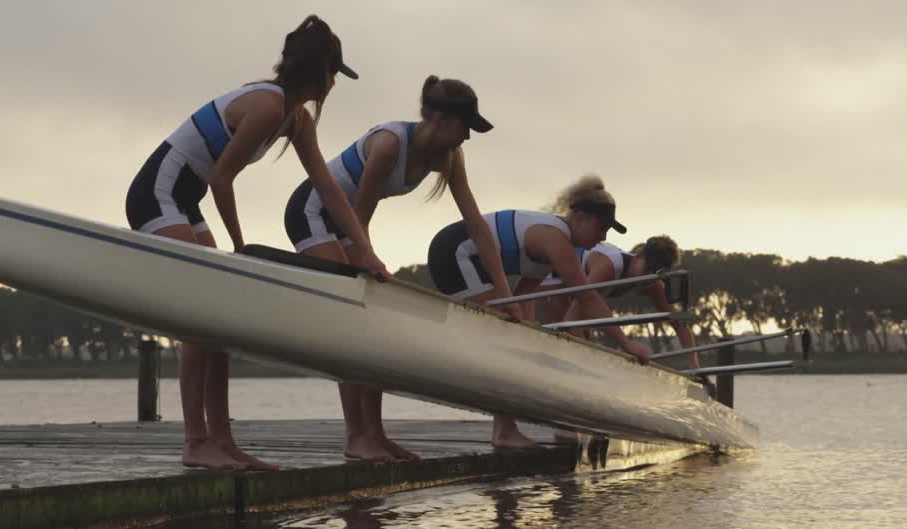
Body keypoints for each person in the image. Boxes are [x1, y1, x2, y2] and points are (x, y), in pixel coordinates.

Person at [125, 15, 385, 470]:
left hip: (185, 198)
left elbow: (327, 189)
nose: (334, 84)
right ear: (319, 73)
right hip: (157, 193)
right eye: (334, 74)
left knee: (222, 318)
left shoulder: (297, 119)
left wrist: (365, 251)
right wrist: (239, 247)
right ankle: (195, 441)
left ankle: (222, 442)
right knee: (200, 315)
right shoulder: (266, 106)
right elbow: (222, 178)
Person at [284, 76, 517, 461]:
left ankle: (375, 435)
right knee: (353, 322)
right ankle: (355, 436)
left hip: (349, 224)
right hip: (313, 213)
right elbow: (361, 217)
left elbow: (477, 225)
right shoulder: (389, 144)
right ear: (440, 119)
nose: (467, 137)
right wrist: (368, 261)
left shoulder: (450, 156)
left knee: (374, 326)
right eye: (465, 127)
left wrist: (505, 295)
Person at [426, 175, 651, 449]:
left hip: (466, 257)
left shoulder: (555, 241)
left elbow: (525, 295)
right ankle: (504, 431)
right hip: (454, 253)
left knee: (513, 341)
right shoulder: (556, 240)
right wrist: (627, 344)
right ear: (579, 218)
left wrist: (527, 335)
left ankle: (507, 428)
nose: (603, 237)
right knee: (504, 342)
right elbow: (588, 297)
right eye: (601, 227)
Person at [540, 235, 702, 371]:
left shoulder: (653, 282)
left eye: (655, 273)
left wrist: (694, 364)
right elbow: (571, 319)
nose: (649, 277)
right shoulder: (608, 266)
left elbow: (679, 322)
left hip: (579, 283)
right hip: (554, 269)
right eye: (647, 269)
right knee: (569, 330)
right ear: (638, 257)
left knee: (582, 334)